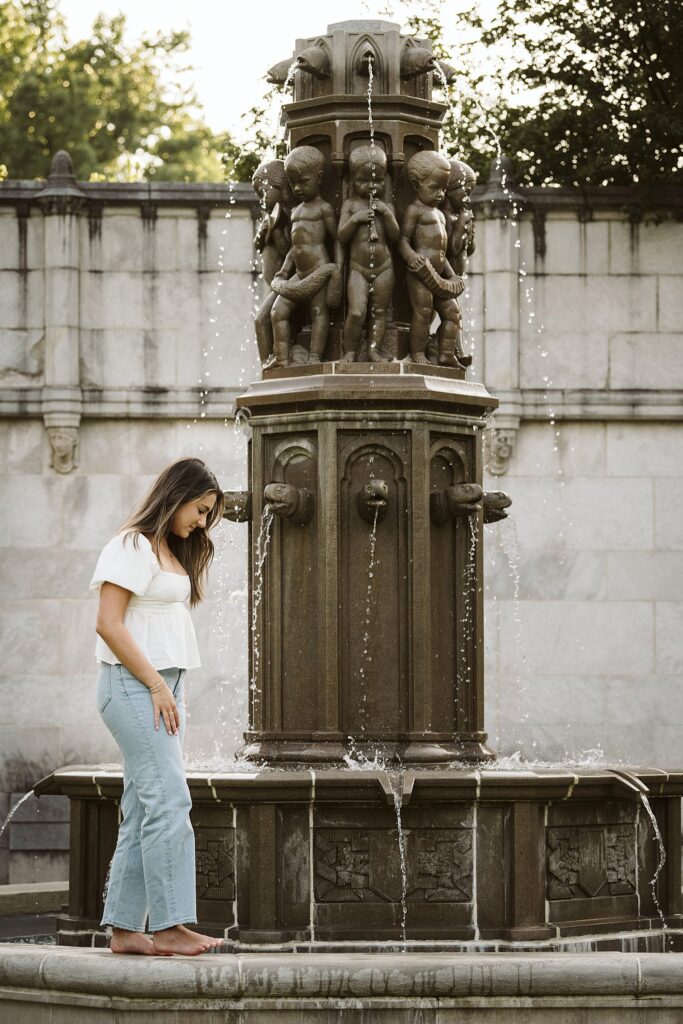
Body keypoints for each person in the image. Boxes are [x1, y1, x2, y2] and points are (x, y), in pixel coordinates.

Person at [91, 457, 225, 956]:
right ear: (176, 494)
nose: (202, 522)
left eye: (208, 514)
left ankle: (126, 930)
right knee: (171, 802)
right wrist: (155, 686)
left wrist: (167, 686)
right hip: (133, 686)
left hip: (161, 686)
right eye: (199, 509)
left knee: (143, 804)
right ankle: (169, 924)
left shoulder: (169, 549)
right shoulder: (131, 544)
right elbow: (109, 623)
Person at [270, 145, 341, 366]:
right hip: (299, 274)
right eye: (293, 183)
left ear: (319, 178)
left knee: (319, 313)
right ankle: (281, 357)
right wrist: (284, 269)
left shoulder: (324, 209)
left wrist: (338, 267)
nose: (298, 188)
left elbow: (336, 238)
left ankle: (314, 357)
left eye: (303, 181)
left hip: (318, 269)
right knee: (277, 312)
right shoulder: (296, 211)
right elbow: (295, 246)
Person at [398, 150, 467, 368]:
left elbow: (441, 251)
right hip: (420, 274)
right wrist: (411, 257)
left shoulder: (439, 214)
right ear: (417, 184)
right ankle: (418, 353)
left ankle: (445, 352)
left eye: (444, 189)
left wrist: (450, 274)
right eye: (434, 187)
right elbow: (402, 240)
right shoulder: (414, 210)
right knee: (423, 312)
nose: (441, 194)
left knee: (453, 312)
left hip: (439, 274)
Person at [337, 145, 400, 362]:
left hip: (384, 267)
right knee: (356, 312)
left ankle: (374, 349)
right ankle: (350, 351)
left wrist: (386, 214)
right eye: (363, 181)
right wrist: (355, 220)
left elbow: (395, 236)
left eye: (378, 181)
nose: (371, 186)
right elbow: (341, 236)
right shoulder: (351, 204)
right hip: (358, 268)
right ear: (353, 180)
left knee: (379, 312)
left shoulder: (386, 206)